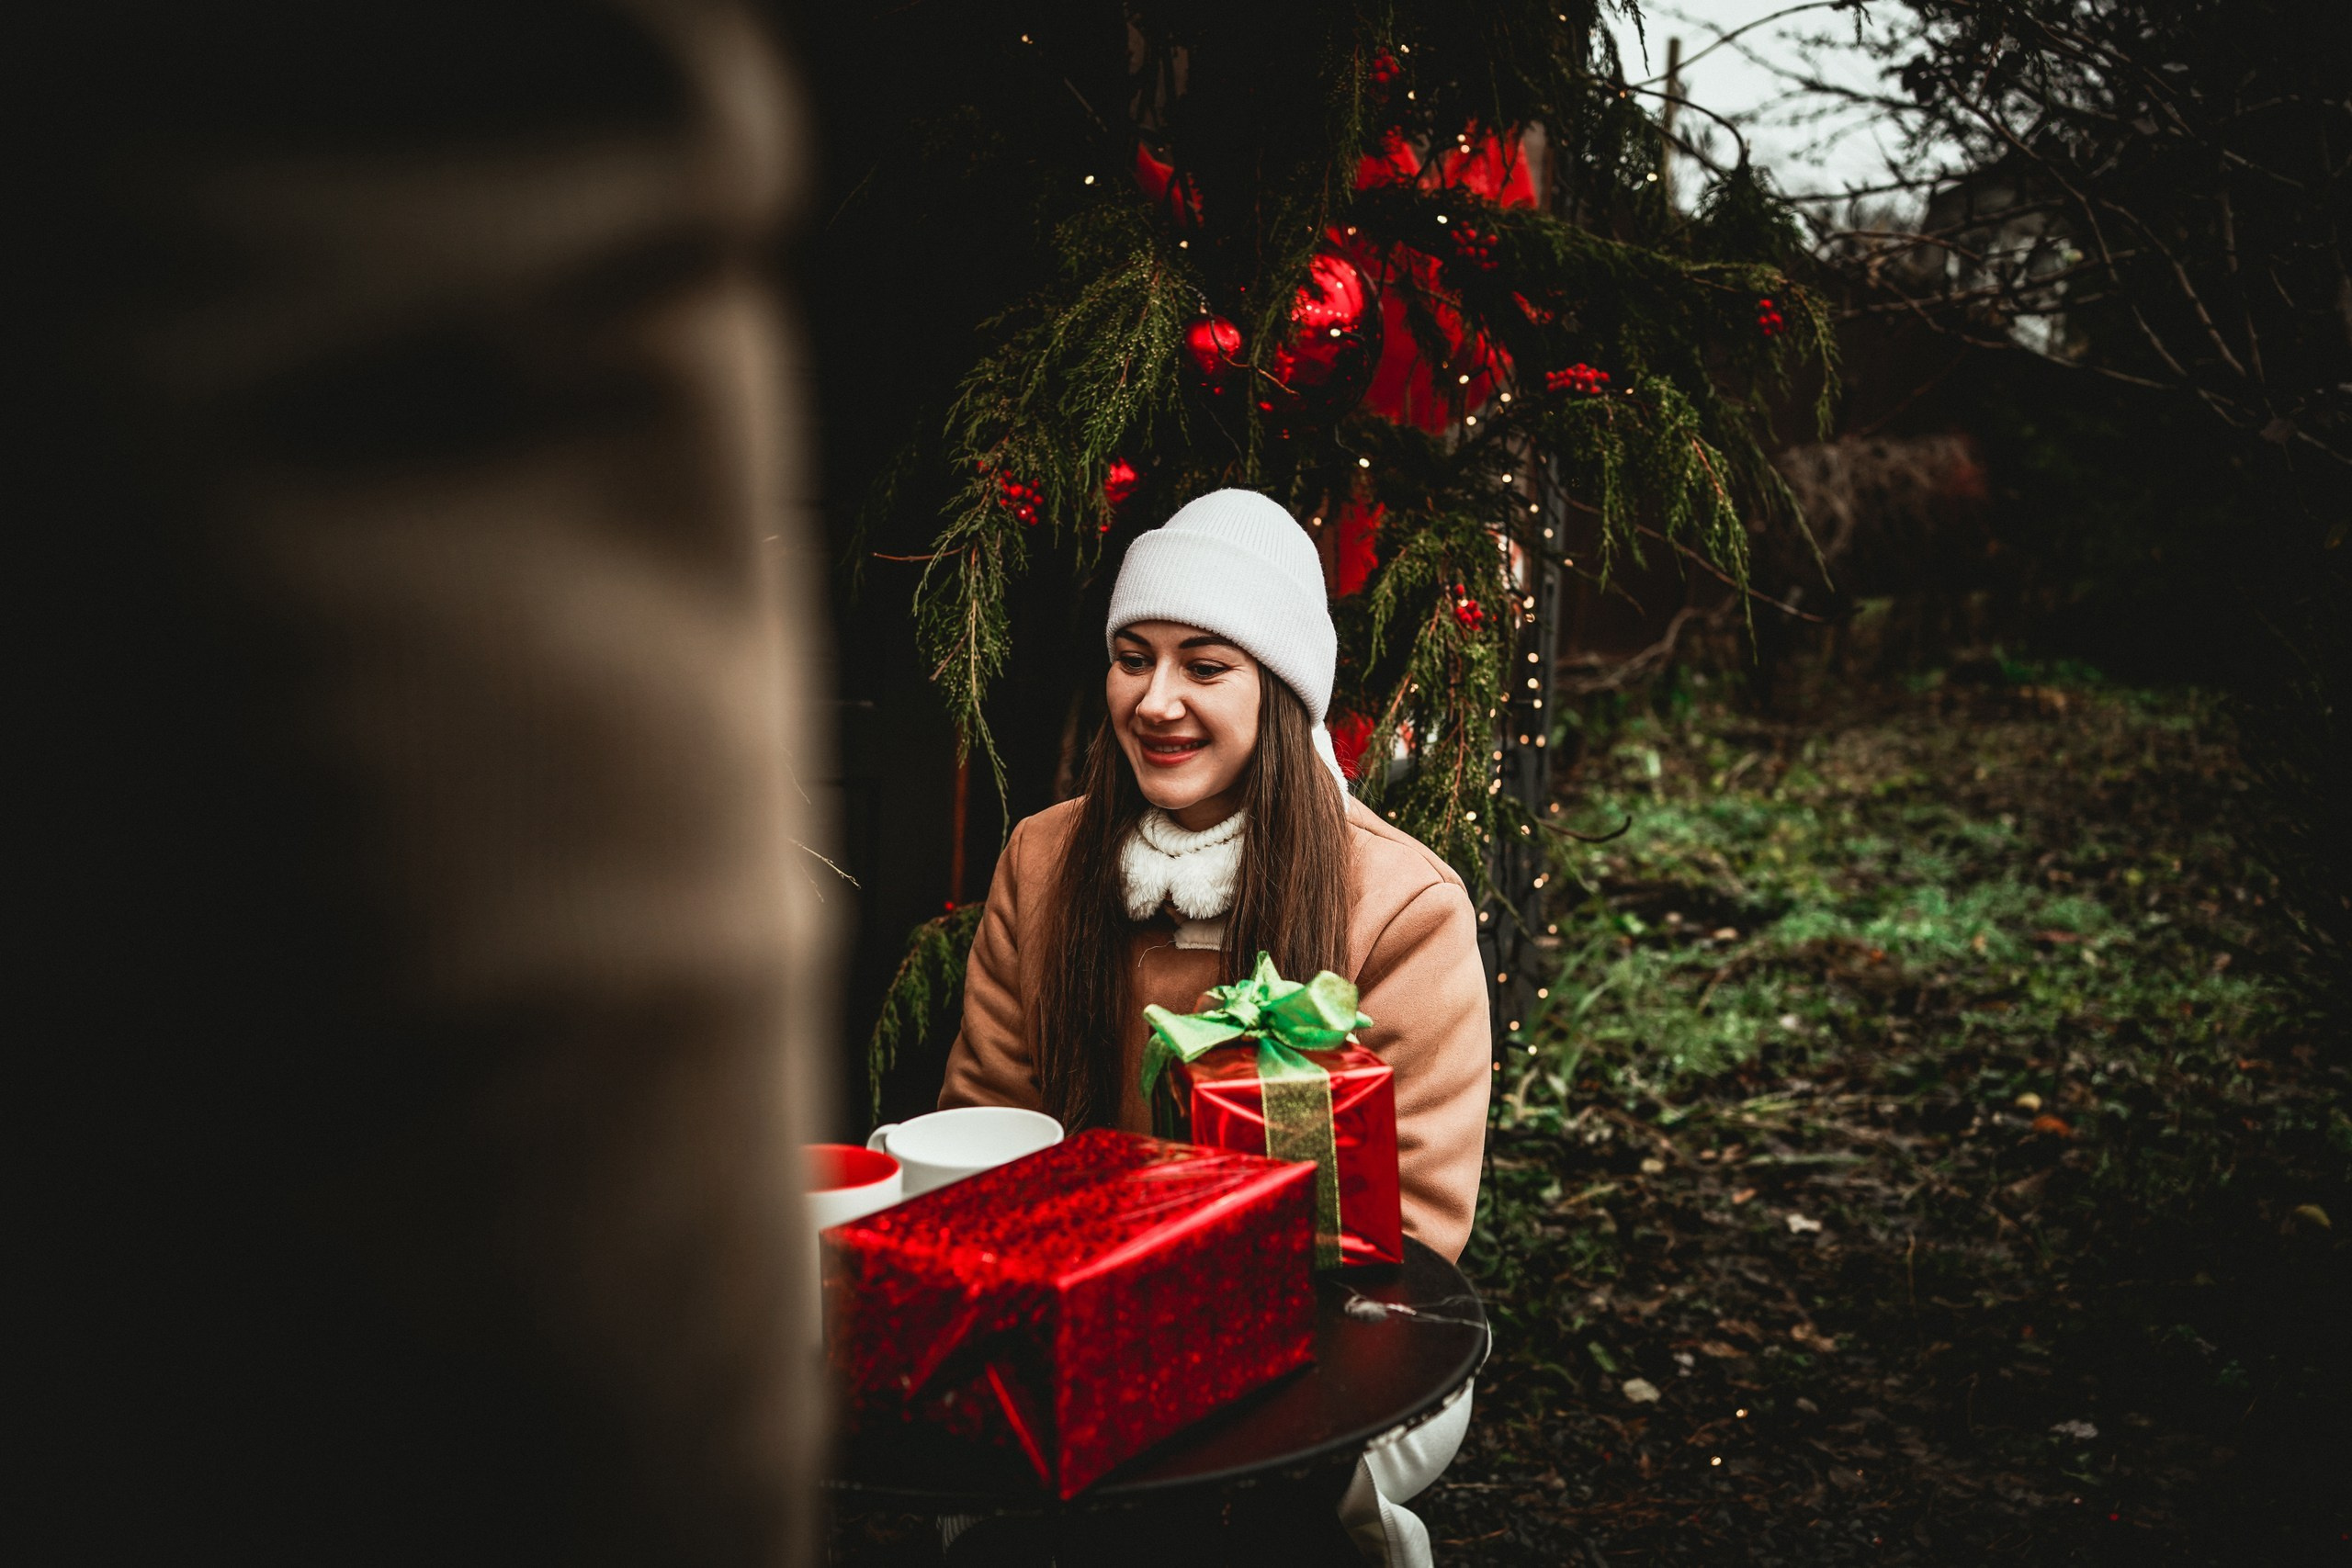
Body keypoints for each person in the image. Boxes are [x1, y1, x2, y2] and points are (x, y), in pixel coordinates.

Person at [939, 487, 1490, 1565]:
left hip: (1327, 1336)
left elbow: (1413, 1227)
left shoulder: (1400, 903)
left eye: (1203, 665)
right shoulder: (1045, 864)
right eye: (1132, 656)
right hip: (1072, 1318)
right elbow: (985, 1131)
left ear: (1278, 691)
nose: (1153, 700)